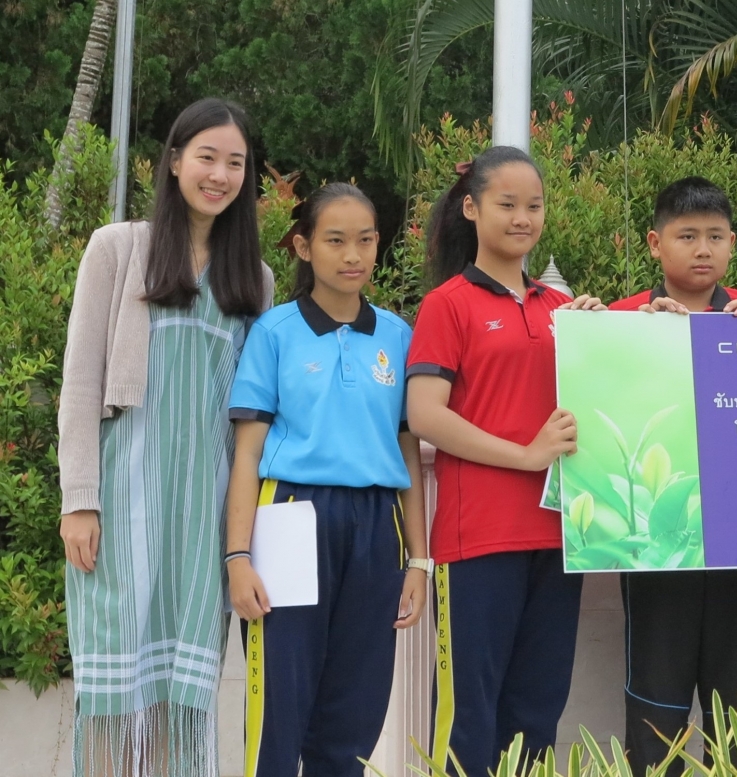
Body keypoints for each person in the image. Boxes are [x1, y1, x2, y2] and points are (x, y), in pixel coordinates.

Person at [58, 97, 274, 776]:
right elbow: (82, 381)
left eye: (235, 162)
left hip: (205, 514)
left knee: (186, 699)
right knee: (113, 697)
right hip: (123, 501)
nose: (219, 174)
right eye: (207, 157)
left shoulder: (254, 281)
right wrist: (79, 498)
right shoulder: (118, 248)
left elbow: (255, 416)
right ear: (175, 160)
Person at [405, 146, 604, 777]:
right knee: (468, 715)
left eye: (535, 206)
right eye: (507, 204)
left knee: (537, 712)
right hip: (478, 540)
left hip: (558, 535)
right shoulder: (448, 304)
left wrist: (612, 332)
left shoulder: (559, 309)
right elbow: (426, 414)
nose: (523, 218)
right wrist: (525, 455)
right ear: (472, 208)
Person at [225, 182, 428, 777]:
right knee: (279, 709)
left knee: (356, 710)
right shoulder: (274, 333)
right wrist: (238, 555)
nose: (353, 255)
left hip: (376, 526)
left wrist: (420, 560)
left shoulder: (396, 334)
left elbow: (407, 449)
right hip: (288, 515)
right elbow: (247, 453)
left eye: (365, 240)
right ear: (303, 247)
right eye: (335, 240)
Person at [608, 176, 737, 777]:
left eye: (714, 236)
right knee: (656, 698)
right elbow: (599, 410)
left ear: (733, 243)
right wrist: (618, 339)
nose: (702, 249)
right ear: (655, 243)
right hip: (657, 541)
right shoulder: (625, 318)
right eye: (686, 236)